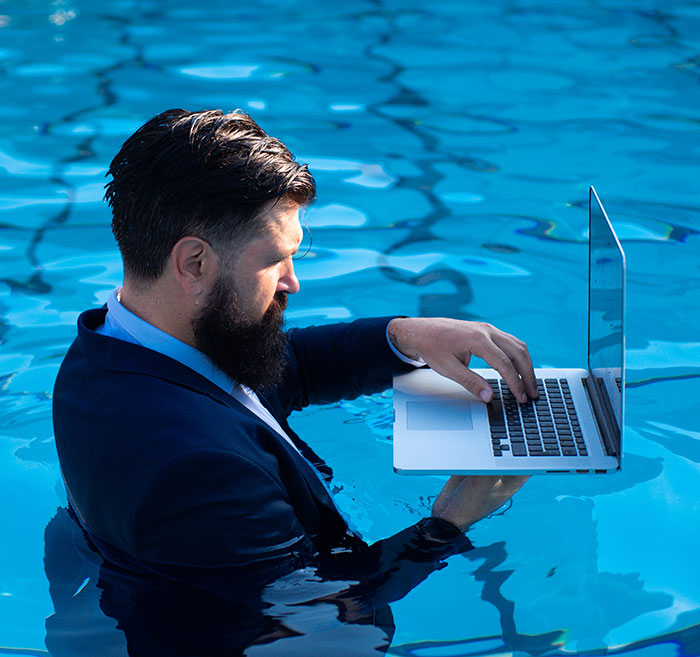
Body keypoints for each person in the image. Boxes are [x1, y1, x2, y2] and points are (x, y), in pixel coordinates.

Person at [51, 109, 538, 655]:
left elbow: (284, 369)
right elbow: (317, 612)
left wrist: (405, 336)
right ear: (193, 263)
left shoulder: (114, 345)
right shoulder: (193, 467)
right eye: (275, 261)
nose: (293, 282)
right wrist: (449, 523)